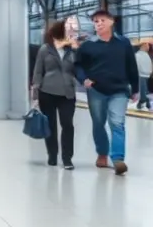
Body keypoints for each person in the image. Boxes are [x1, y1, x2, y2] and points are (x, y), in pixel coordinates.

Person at [75, 9, 139, 175]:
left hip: (119, 90)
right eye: (96, 21)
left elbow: (131, 65)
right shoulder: (88, 45)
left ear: (111, 22)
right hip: (96, 90)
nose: (99, 24)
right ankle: (102, 153)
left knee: (117, 123)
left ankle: (118, 159)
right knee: (99, 123)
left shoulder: (123, 43)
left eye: (102, 20)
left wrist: (136, 89)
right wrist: (84, 79)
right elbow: (77, 65)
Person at [31, 20, 79, 169]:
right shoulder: (45, 49)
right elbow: (38, 71)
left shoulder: (73, 50)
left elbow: (79, 69)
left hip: (67, 94)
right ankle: (52, 155)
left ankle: (67, 158)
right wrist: (35, 95)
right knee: (50, 126)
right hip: (47, 92)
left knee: (68, 125)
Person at [137, 42, 152, 109]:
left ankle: (142, 101)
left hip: (147, 75)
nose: (148, 47)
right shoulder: (138, 55)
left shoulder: (146, 55)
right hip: (141, 75)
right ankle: (144, 100)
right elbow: (137, 66)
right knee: (143, 90)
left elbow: (149, 64)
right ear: (143, 46)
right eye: (147, 45)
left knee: (144, 89)